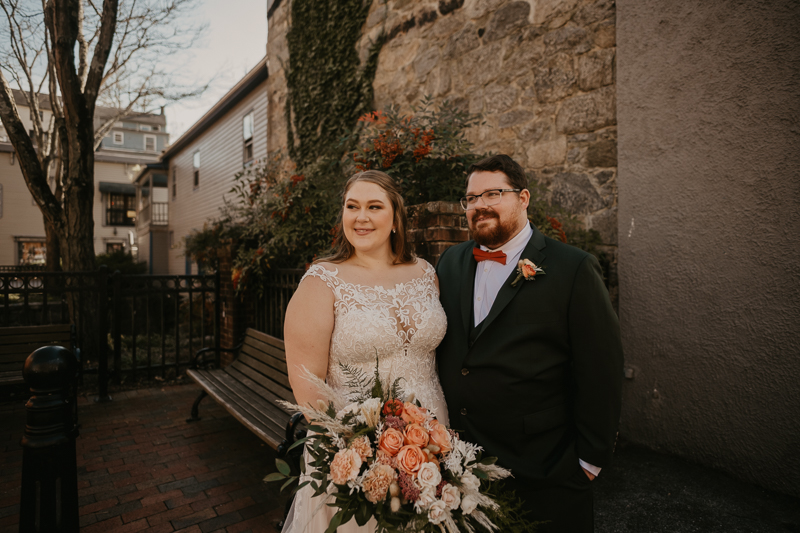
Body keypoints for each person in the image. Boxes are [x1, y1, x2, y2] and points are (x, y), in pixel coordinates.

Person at [436, 154, 623, 532]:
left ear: (523, 198)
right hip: (460, 465)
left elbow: (601, 370)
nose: (479, 205)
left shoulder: (572, 268)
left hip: (545, 468)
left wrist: (589, 461)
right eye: (471, 198)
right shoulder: (449, 263)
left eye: (492, 194)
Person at [281, 170, 449, 533]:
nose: (361, 217)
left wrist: (427, 444)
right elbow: (309, 393)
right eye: (352, 206)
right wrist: (368, 456)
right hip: (357, 458)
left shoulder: (425, 274)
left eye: (374, 206)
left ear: (395, 217)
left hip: (435, 441)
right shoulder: (321, 282)